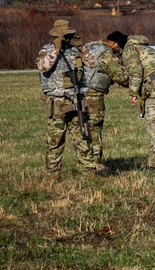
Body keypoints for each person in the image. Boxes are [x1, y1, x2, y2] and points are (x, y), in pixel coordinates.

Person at [35, 19, 97, 177]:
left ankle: (88, 171)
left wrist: (82, 47)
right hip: (57, 100)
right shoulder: (47, 51)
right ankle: (53, 173)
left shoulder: (76, 51)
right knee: (56, 139)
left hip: (77, 99)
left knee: (83, 136)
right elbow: (43, 66)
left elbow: (93, 63)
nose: (67, 39)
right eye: (65, 36)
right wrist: (56, 48)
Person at [123, 34, 155, 172]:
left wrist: (133, 93)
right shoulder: (149, 49)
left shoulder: (130, 49)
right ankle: (153, 164)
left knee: (153, 127)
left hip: (154, 88)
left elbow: (135, 72)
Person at [78, 33, 128, 171]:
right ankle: (94, 163)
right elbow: (119, 75)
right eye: (119, 48)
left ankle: (84, 161)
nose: (119, 51)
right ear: (113, 43)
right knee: (95, 127)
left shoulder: (91, 46)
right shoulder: (105, 53)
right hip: (93, 94)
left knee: (83, 127)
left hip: (80, 92)